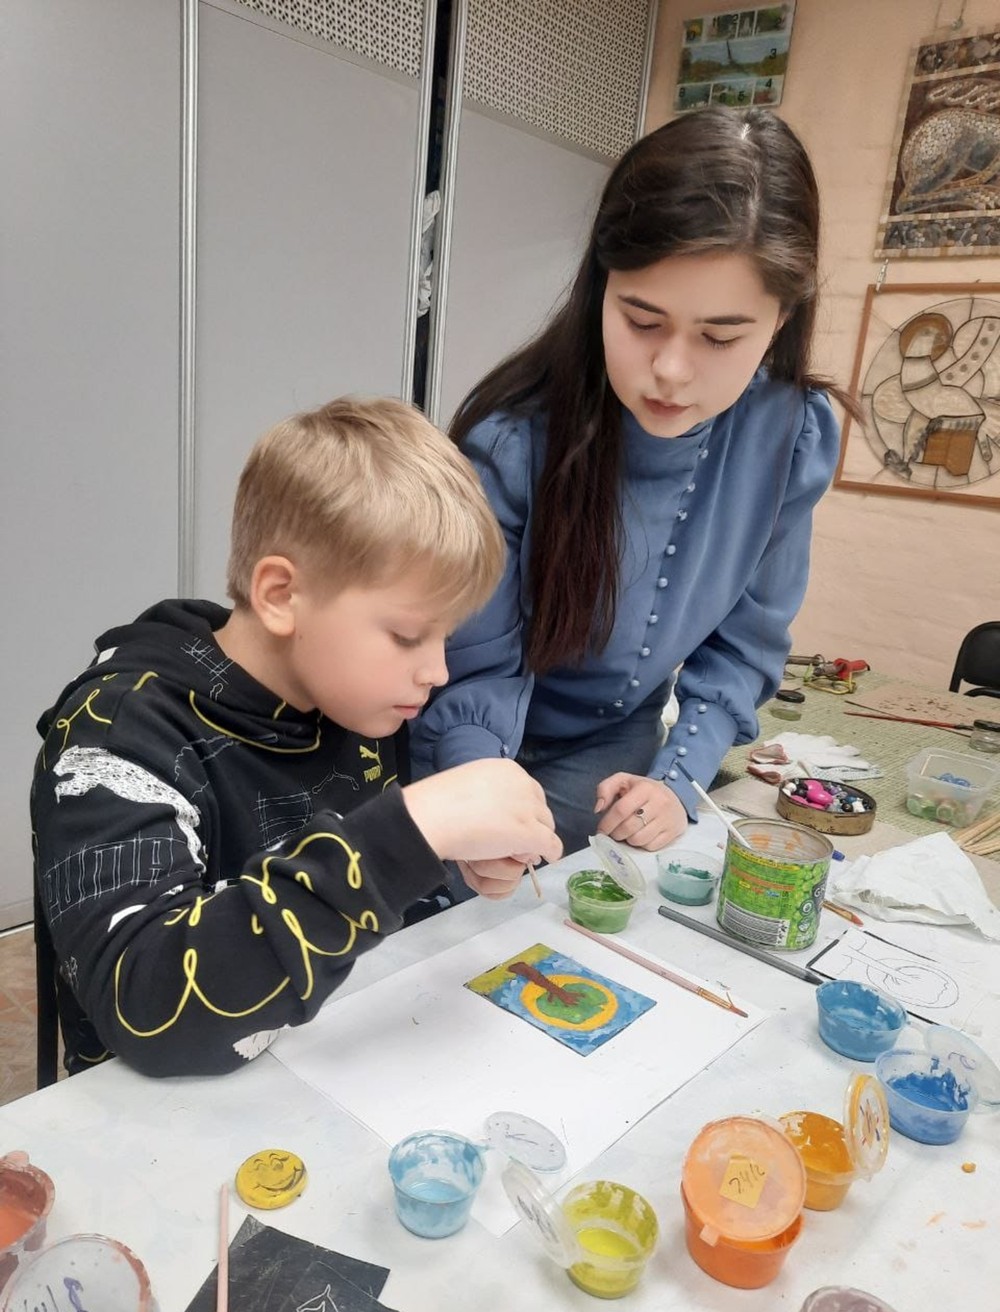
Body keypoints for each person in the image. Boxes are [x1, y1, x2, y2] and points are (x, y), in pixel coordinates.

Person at [30, 397, 561, 1078]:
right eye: (407, 635)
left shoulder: (350, 699)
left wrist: (449, 856)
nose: (438, 672)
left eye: (445, 637)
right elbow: (148, 1009)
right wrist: (408, 835)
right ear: (281, 595)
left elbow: (361, 903)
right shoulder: (115, 737)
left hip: (327, 1073)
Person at [410, 105, 856, 867]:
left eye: (720, 336)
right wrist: (476, 786)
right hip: (467, 740)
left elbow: (744, 645)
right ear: (601, 286)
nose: (672, 370)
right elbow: (473, 665)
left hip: (614, 758)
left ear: (781, 319)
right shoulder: (514, 440)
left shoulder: (792, 437)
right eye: (642, 321)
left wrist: (678, 779)